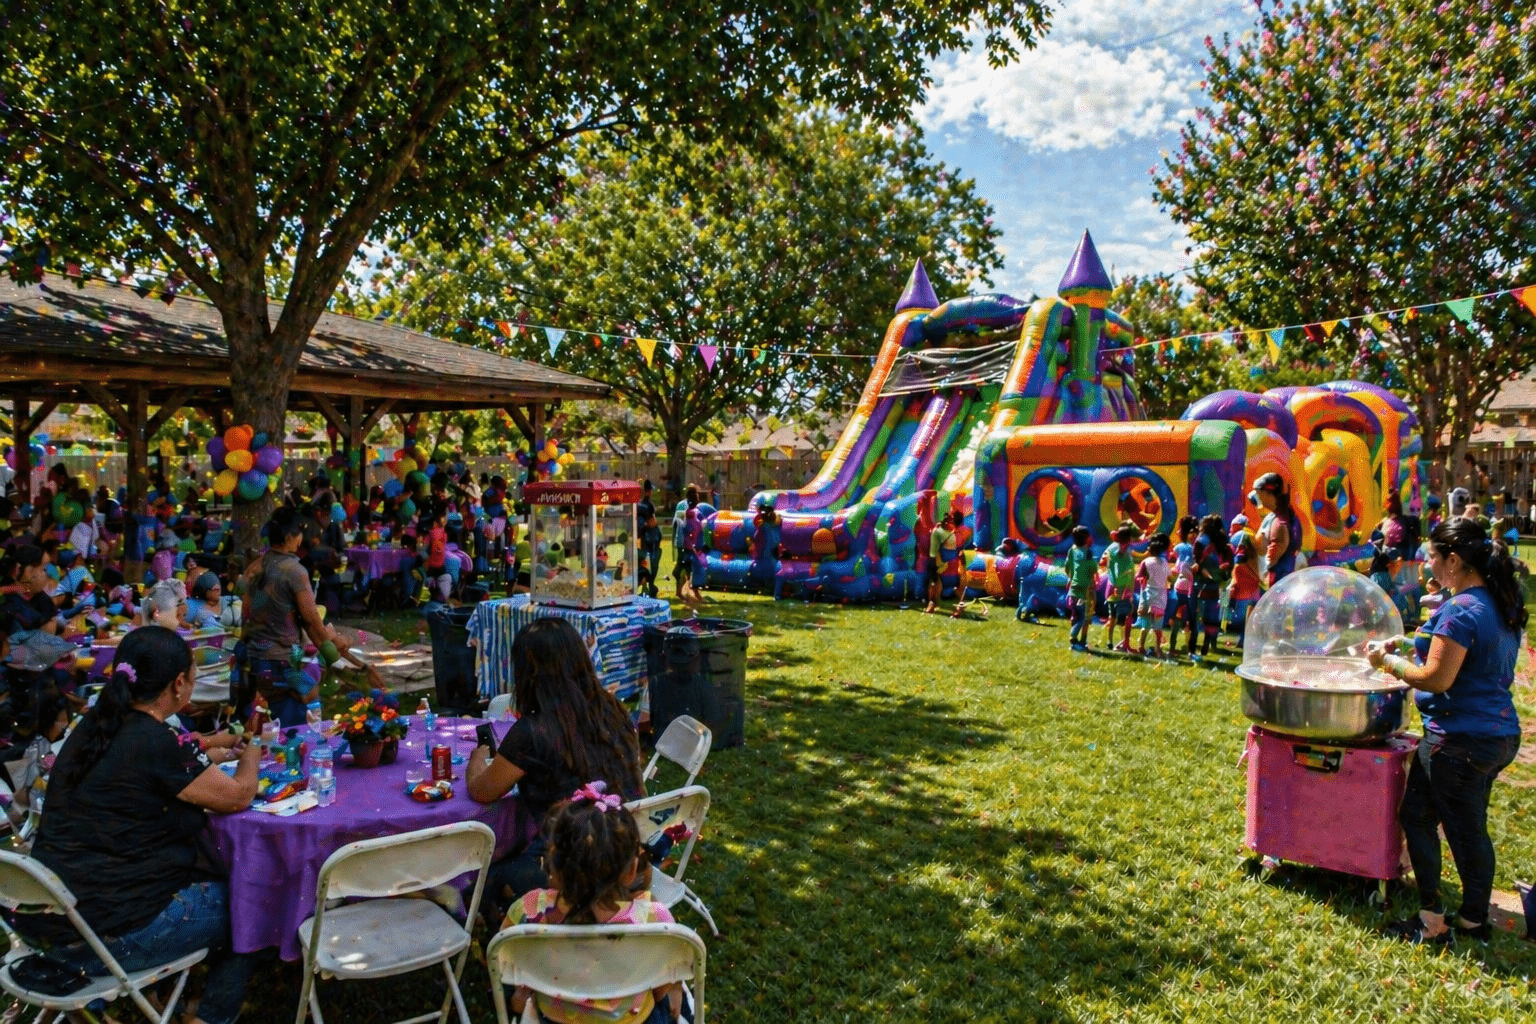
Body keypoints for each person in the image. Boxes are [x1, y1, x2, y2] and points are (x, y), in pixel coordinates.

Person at [7, 627, 263, 1024]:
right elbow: (239, 794)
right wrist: (255, 748)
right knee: (250, 901)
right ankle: (209, 1017)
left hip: (47, 925)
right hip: (103, 940)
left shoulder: (92, 727)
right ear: (179, 684)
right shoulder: (154, 740)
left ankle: (170, 1002)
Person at [1367, 518, 1524, 946]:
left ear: (1453, 560)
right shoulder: (1497, 602)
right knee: (1469, 828)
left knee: (1423, 819)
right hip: (1498, 736)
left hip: (1457, 741)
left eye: (1431, 558)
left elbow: (1436, 677)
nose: (1426, 566)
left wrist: (1390, 665)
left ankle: (1432, 921)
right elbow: (1457, 652)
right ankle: (1474, 920)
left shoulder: (1459, 610)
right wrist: (1403, 645)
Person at [467, 617, 646, 914]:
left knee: (478, 880)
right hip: (625, 852)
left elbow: (482, 791)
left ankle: (512, 946)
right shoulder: (614, 710)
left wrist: (477, 758)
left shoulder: (532, 732)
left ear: (527, 674)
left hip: (570, 868)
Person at [501, 788, 686, 1024]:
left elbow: (508, 963)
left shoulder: (528, 909)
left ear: (552, 863)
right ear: (631, 871)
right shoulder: (654, 920)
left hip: (555, 1019)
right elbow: (660, 989)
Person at [238, 507, 380, 726]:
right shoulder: (294, 571)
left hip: (254, 661)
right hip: (282, 663)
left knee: (269, 729)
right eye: (299, 533)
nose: (301, 538)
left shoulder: (254, 568)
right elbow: (311, 621)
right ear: (289, 538)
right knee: (301, 724)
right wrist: (333, 650)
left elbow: (246, 616)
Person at [1190, 515, 1233, 660]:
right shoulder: (1222, 539)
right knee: (1212, 615)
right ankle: (1210, 642)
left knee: (1197, 615)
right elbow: (1228, 561)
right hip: (1217, 583)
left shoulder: (1202, 540)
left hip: (1201, 583)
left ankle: (1195, 647)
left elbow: (1196, 559)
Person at [1252, 472, 1300, 588]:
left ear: (1267, 493)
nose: (1257, 498)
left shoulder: (1279, 519)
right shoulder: (1287, 515)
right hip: (1286, 570)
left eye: (1259, 494)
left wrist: (1267, 567)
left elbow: (1278, 543)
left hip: (1279, 574)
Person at [1098, 523, 1138, 651]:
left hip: (1119, 587)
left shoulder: (1121, 549)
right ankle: (1120, 643)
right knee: (1123, 615)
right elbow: (1113, 568)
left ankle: (1114, 642)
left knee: (1115, 616)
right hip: (1119, 587)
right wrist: (1119, 586)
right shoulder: (1117, 550)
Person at [1133, 532, 1171, 657]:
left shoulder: (1146, 562)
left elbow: (1138, 576)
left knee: (1146, 626)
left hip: (1148, 594)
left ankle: (1141, 646)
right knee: (1158, 627)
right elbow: (1169, 577)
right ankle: (1158, 650)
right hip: (1161, 596)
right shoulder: (1165, 563)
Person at [1227, 532, 1262, 645]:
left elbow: (1237, 575)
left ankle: (1242, 641)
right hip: (1255, 593)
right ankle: (1247, 642)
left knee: (1242, 621)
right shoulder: (1255, 557)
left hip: (1243, 594)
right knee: (1251, 621)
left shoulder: (1240, 556)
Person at [923, 509, 960, 615]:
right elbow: (936, 548)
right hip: (941, 560)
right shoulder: (944, 532)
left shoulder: (944, 532)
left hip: (941, 560)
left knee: (937, 582)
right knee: (937, 582)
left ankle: (934, 604)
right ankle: (933, 604)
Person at [1064, 525, 1095, 652]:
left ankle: (1077, 643)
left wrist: (1070, 578)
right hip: (1085, 589)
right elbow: (1093, 568)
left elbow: (1067, 566)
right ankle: (1076, 639)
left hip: (1074, 588)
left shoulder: (1072, 549)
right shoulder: (1088, 552)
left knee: (1076, 614)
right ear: (1087, 538)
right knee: (1084, 617)